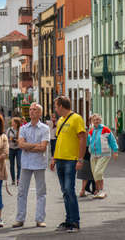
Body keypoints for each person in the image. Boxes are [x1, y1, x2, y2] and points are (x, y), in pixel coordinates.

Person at [50, 96, 87, 233]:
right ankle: (68, 220)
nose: (55, 109)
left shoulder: (76, 118)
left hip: (71, 159)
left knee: (69, 190)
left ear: (61, 106)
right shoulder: (60, 120)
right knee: (65, 191)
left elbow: (83, 139)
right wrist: (53, 157)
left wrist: (80, 159)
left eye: (55, 106)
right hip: (60, 159)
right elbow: (59, 140)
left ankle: (75, 222)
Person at [12, 103, 49, 228]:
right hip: (26, 163)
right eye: (31, 110)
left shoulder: (45, 128)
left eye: (35, 110)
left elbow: (43, 147)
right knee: (22, 192)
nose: (32, 112)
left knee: (41, 193)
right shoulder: (23, 128)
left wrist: (28, 146)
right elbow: (21, 145)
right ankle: (20, 219)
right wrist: (35, 146)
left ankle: (40, 219)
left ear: (40, 113)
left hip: (39, 163)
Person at [87, 114, 118, 199]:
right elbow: (87, 143)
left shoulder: (105, 129)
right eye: (94, 120)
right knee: (95, 174)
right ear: (92, 121)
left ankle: (101, 190)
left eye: (98, 119)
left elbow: (112, 140)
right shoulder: (91, 131)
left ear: (100, 120)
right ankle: (99, 191)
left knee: (98, 172)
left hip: (104, 154)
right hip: (93, 154)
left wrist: (115, 151)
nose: (96, 121)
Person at [7, 117, 22, 186]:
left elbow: (22, 139)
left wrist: (14, 139)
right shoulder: (9, 130)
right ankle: (13, 179)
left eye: (13, 122)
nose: (11, 123)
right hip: (11, 148)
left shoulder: (21, 130)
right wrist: (10, 140)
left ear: (16, 123)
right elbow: (6, 139)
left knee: (19, 164)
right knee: (11, 165)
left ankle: (18, 179)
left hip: (19, 149)